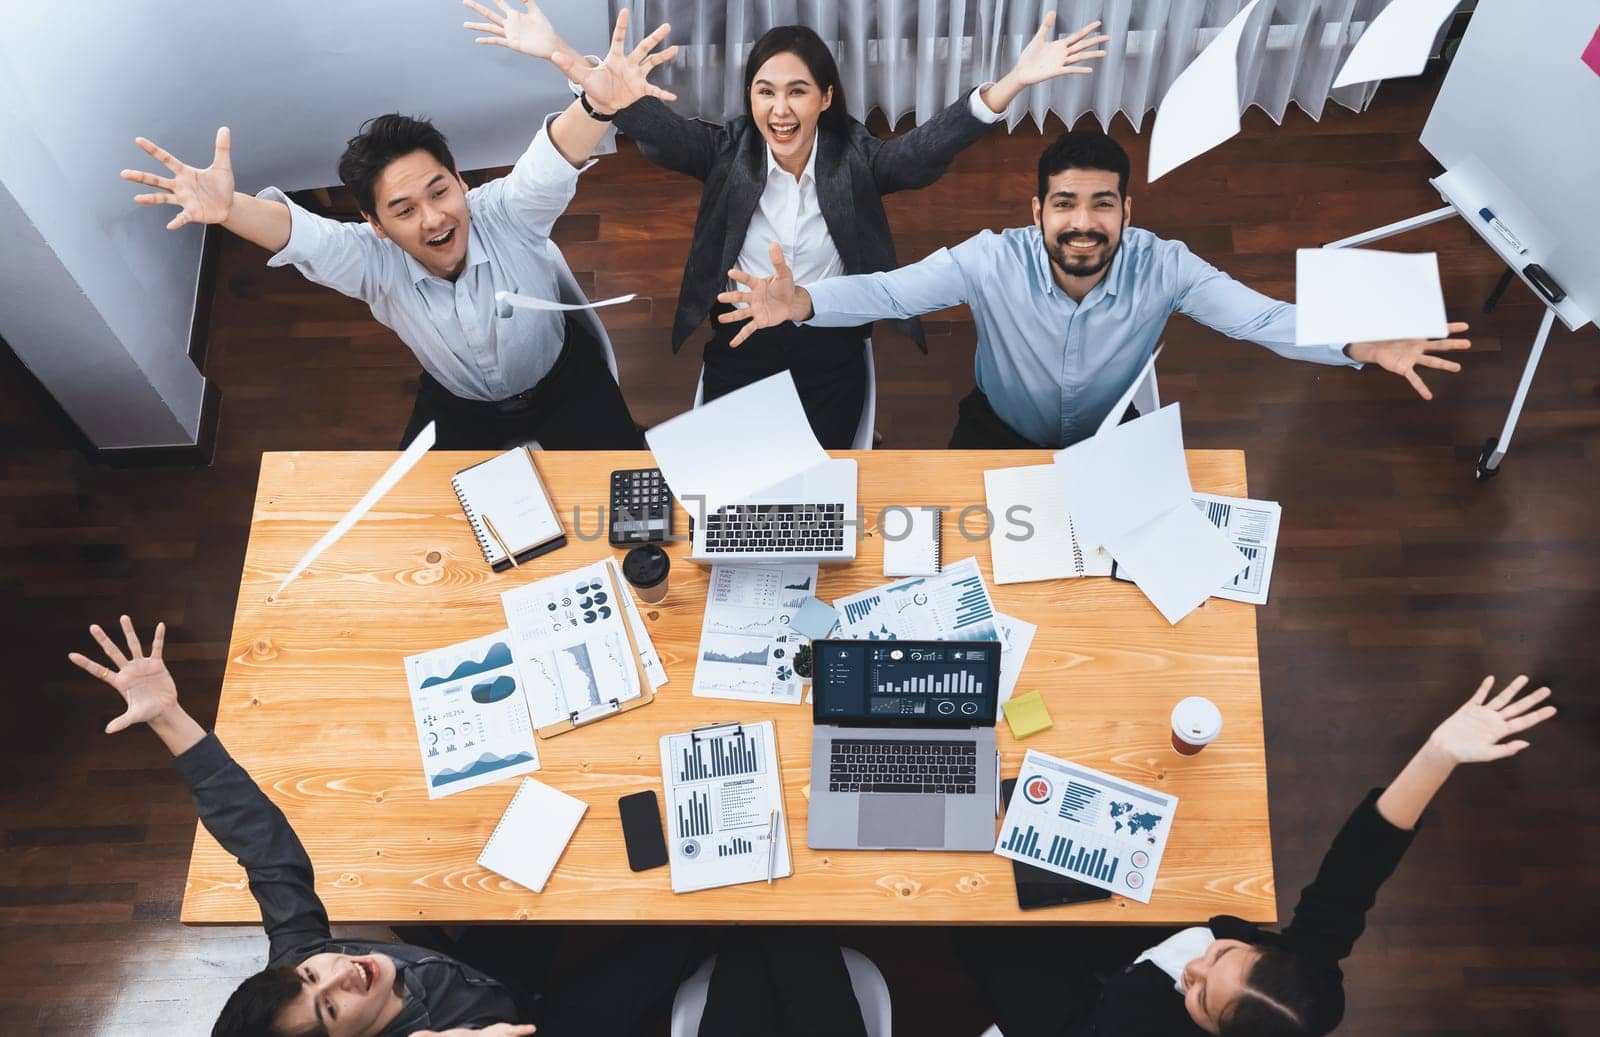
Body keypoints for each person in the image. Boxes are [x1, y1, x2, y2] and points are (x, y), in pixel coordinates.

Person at [465, 1, 1109, 447]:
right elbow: (641, 119)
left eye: (797, 90)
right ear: (749, 98)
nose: (779, 108)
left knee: (819, 476)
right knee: (730, 470)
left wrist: (1014, 83)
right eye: (765, 90)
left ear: (825, 99)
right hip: (744, 326)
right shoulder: (725, 153)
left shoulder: (856, 157)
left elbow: (924, 150)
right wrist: (560, 55)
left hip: (827, 326)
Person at [68, 615, 705, 1037]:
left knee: (579, 867)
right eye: (329, 1007)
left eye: (314, 976)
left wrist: (170, 717)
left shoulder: (304, 958)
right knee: (685, 933)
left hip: (479, 971)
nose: (341, 971)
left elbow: (264, 847)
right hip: (535, 1022)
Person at [120, 10, 679, 452]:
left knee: (628, 485)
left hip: (565, 382)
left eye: (439, 191)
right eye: (404, 209)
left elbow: (550, 158)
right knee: (419, 518)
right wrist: (230, 210)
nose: (434, 218)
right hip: (460, 405)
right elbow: (305, 235)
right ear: (375, 224)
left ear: (460, 181)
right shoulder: (370, 260)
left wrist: (597, 106)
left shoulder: (508, 212)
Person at [717, 131, 1475, 449]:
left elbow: (1261, 318)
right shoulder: (990, 259)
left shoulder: (1167, 265)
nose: (1084, 225)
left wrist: (1358, 342)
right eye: (1066, 205)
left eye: (1103, 205)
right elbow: (888, 294)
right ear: (1037, 211)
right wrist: (805, 302)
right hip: (996, 427)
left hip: (1111, 438)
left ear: (1127, 212)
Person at [957, 674, 1556, 1035]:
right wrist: (1438, 754)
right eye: (1225, 954)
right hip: (1127, 939)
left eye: (1200, 996)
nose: (1193, 968)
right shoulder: (1306, 977)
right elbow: (1356, 869)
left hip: (1083, 1019)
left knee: (975, 917)